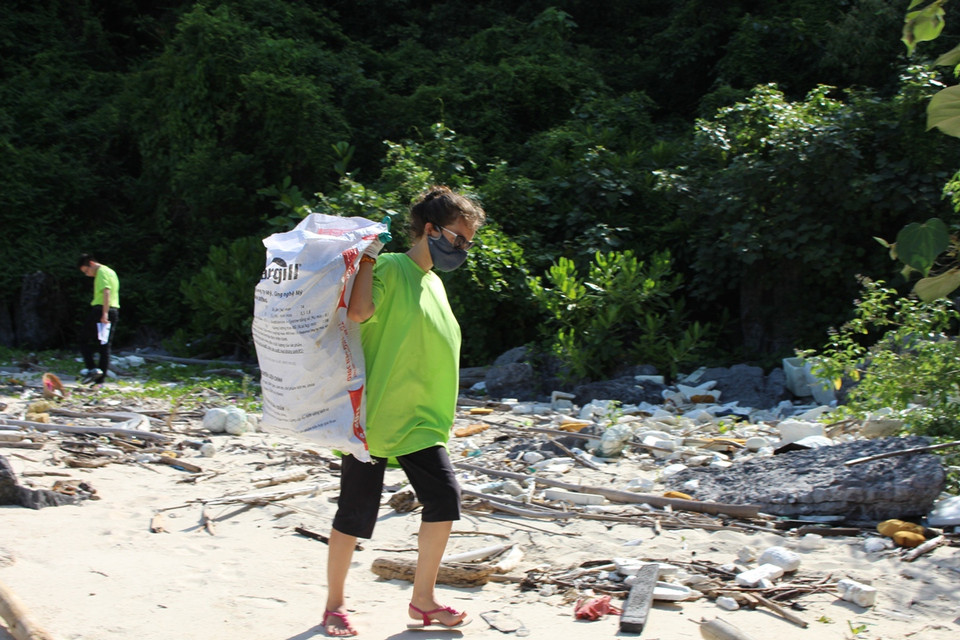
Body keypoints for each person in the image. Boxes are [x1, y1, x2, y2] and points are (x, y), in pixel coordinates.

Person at [322, 186, 485, 637]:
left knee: (444, 500)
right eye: (457, 238)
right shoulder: (391, 266)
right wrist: (370, 257)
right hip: (375, 418)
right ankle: (334, 605)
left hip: (422, 421)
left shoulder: (434, 284)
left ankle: (423, 601)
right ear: (430, 229)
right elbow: (358, 312)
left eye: (467, 243)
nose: (462, 249)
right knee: (355, 515)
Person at [77, 254, 120, 384]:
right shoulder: (111, 272)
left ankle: (92, 370)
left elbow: (106, 291)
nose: (87, 274)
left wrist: (104, 314)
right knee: (104, 345)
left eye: (86, 270)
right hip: (114, 310)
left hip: (101, 310)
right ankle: (99, 381)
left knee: (83, 340)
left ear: (91, 263)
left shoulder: (101, 272)